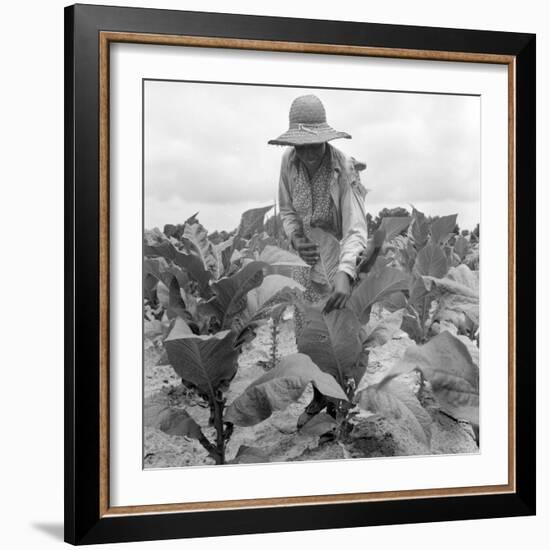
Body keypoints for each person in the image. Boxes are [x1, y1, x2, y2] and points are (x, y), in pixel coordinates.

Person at [268, 94, 368, 321]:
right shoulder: (289, 161)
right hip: (305, 263)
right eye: (301, 146)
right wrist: (296, 238)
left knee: (340, 335)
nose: (309, 153)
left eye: (314, 145)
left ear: (325, 139)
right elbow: (287, 210)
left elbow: (356, 228)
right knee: (308, 331)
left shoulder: (344, 168)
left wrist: (346, 272)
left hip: (340, 263)